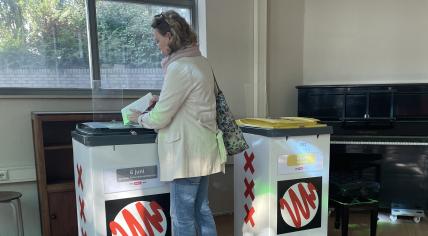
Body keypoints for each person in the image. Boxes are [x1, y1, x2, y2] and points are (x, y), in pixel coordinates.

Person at [128, 10, 226, 236]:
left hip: (187, 154)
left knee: (181, 217)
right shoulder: (200, 61)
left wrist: (139, 117)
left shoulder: (178, 67)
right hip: (204, 148)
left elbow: (160, 117)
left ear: (170, 36)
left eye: (158, 40)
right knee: (201, 209)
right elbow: (193, 102)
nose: (158, 46)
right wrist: (162, 99)